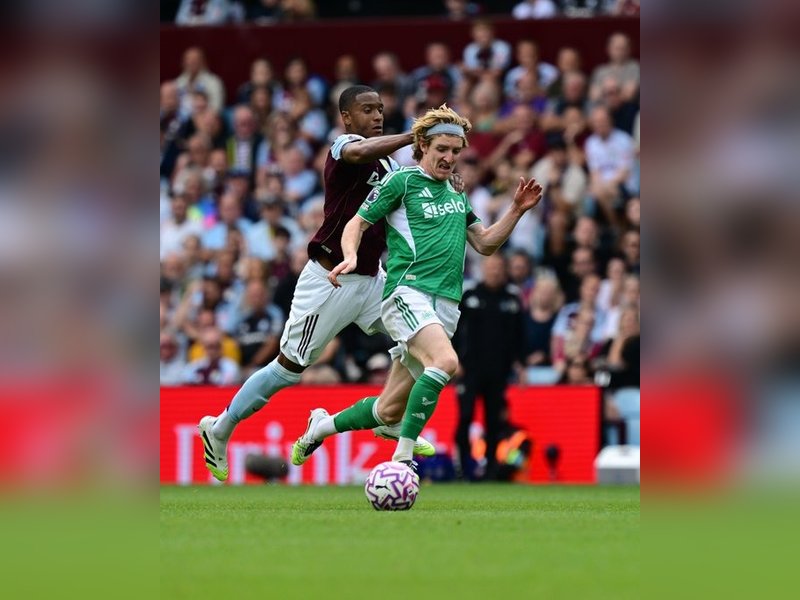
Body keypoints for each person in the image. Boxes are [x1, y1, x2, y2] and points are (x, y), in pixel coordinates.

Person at [197, 85, 442, 481]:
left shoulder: (391, 168)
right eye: (367, 109)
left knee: (419, 337)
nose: (377, 115)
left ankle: (390, 419)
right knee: (290, 368)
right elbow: (361, 151)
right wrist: (414, 137)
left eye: (380, 108)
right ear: (347, 117)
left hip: (372, 280)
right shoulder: (343, 146)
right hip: (331, 280)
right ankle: (220, 427)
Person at [293, 104, 543, 469]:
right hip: (407, 293)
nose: (449, 157)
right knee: (445, 362)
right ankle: (403, 458)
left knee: (388, 409)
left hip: (446, 306)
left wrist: (517, 210)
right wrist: (349, 256)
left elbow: (486, 244)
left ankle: (320, 427)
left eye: (455, 152)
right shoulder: (402, 182)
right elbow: (356, 223)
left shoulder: (457, 193)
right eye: (442, 149)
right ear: (423, 145)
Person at [453, 253, 524, 480]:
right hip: (470, 369)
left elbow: (518, 337)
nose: (494, 272)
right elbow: (453, 330)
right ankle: (463, 466)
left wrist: (519, 364)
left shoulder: (511, 299)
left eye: (498, 268)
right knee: (465, 417)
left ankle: (492, 468)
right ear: (484, 269)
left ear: (504, 270)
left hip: (498, 372)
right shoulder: (470, 296)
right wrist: (454, 359)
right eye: (490, 267)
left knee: (494, 421)